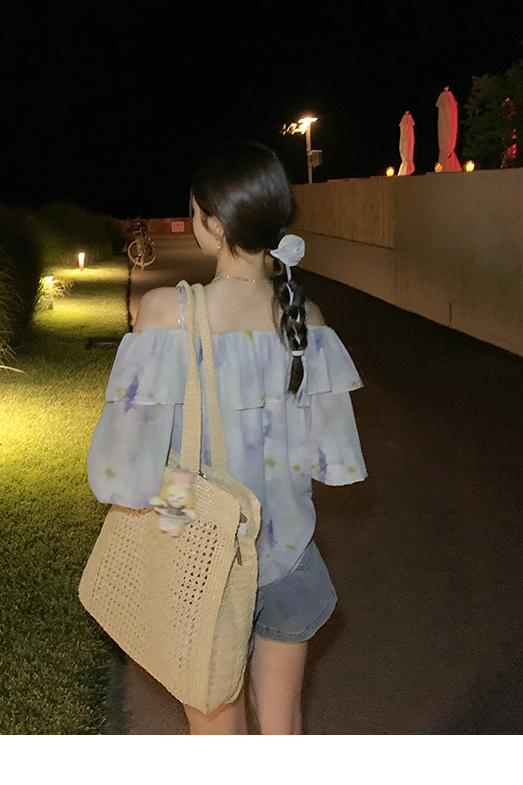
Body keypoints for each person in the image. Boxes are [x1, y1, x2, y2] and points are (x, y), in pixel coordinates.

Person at [86, 140, 367, 734]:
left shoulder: (166, 313)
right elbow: (327, 457)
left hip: (198, 553)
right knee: (283, 727)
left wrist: (170, 515)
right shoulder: (307, 320)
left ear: (213, 225)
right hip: (289, 550)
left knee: (216, 729)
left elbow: (129, 466)